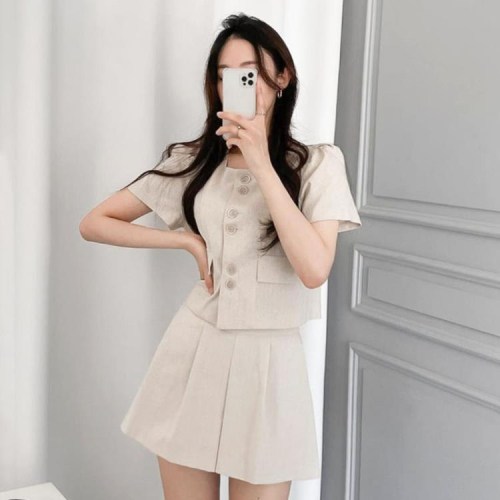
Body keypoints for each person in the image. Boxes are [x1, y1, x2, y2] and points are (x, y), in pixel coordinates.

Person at [79, 13, 362, 500]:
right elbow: (95, 222)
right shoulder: (193, 161)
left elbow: (315, 269)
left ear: (281, 77)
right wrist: (185, 241)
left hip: (270, 367)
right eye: (224, 75)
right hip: (193, 354)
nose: (236, 85)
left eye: (249, 72)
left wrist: (261, 162)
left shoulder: (317, 163)